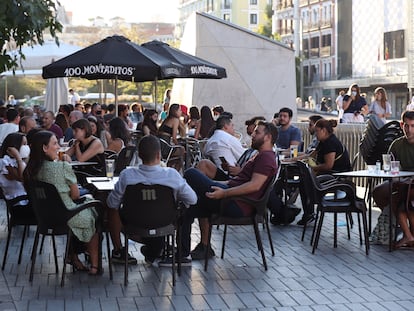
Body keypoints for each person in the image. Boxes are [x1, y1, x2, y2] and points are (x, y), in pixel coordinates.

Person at [166, 121, 278, 265]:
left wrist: (224, 193)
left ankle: (170, 196)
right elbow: (237, 181)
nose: (253, 135)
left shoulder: (266, 157)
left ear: (268, 137)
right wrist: (219, 185)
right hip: (232, 197)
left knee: (191, 173)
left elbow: (254, 186)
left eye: (257, 132)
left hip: (237, 204)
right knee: (186, 207)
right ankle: (182, 254)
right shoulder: (260, 155)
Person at [107, 135, 197, 264]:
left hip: (133, 221)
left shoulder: (127, 176)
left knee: (112, 209)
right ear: (159, 154)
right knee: (185, 208)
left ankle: (118, 250)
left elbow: (112, 203)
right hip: (165, 221)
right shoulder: (171, 175)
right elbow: (192, 199)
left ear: (138, 155)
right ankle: (180, 251)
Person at [23, 131, 100, 274]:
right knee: (92, 217)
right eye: (55, 143)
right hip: (66, 215)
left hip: (44, 218)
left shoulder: (30, 170)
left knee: (83, 213)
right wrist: (67, 165)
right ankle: (95, 266)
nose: (58, 147)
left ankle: (74, 256)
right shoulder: (63, 167)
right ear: (45, 148)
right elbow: (76, 195)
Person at [373, 111, 414, 248]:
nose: (409, 130)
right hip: (401, 181)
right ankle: (403, 228)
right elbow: (389, 165)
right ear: (402, 125)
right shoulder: (397, 144)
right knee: (378, 192)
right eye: (406, 126)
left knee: (397, 198)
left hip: (410, 184)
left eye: (413, 126)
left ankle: (407, 233)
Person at [0, 133, 30, 206]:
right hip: (18, 201)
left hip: (26, 198)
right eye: (24, 144)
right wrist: (18, 156)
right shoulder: (5, 161)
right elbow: (22, 177)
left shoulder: (18, 161)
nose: (26, 147)